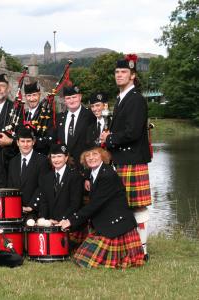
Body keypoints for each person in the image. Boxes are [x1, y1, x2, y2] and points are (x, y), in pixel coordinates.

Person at [100, 54, 152, 260]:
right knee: (125, 204)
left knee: (137, 204)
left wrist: (110, 138)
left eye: (124, 72)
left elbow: (133, 132)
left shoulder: (136, 99)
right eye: (117, 72)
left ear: (133, 76)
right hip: (122, 159)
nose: (119, 75)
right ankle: (130, 247)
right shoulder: (122, 98)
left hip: (133, 160)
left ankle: (143, 250)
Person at [59, 146, 145, 269]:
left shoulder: (108, 175)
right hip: (104, 220)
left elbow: (94, 205)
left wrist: (70, 221)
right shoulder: (93, 172)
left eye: (95, 154)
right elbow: (88, 174)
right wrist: (86, 178)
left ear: (103, 156)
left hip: (117, 224)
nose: (91, 158)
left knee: (87, 261)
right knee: (79, 257)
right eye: (88, 155)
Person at [7, 127, 50, 222]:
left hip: (35, 211)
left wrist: (32, 206)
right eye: (22, 141)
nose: (25, 145)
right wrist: (15, 206)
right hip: (16, 210)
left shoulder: (42, 161)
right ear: (17, 142)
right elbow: (10, 187)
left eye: (28, 141)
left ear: (33, 142)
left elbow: (43, 186)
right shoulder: (13, 162)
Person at [36, 144, 83, 227]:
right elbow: (44, 202)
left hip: (68, 223)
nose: (56, 160)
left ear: (66, 157)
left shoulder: (75, 176)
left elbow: (75, 204)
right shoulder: (46, 178)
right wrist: (44, 220)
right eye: (53, 157)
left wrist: (61, 220)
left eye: (59, 156)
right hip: (50, 224)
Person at [56, 85, 96, 167]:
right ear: (65, 100)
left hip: (85, 165)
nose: (71, 101)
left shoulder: (90, 115)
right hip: (64, 166)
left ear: (80, 97)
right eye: (68, 98)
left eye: (74, 97)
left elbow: (93, 143)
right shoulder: (59, 118)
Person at [22, 81, 56, 155]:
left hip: (41, 157)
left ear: (39, 95)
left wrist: (32, 141)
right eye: (29, 95)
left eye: (34, 95)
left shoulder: (48, 114)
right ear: (25, 97)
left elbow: (50, 140)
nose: (31, 99)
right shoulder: (24, 115)